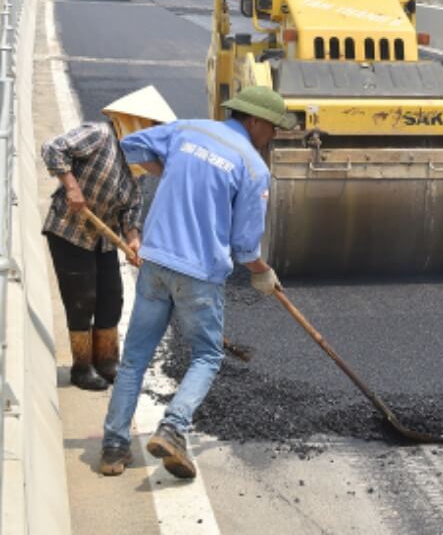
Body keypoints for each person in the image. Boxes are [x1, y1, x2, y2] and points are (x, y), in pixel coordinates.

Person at [98, 86, 297, 479]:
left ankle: (114, 449)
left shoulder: (187, 130)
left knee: (135, 358)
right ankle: (173, 427)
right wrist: (263, 272)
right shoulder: (253, 168)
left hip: (155, 264)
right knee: (206, 356)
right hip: (200, 276)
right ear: (254, 121)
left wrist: (171, 167)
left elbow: (132, 146)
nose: (273, 135)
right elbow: (243, 247)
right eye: (273, 128)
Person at [41, 87, 175, 391]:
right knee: (82, 297)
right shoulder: (100, 136)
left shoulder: (137, 162)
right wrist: (71, 185)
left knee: (111, 296)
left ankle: (107, 359)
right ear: (137, 120)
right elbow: (53, 148)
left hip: (103, 238)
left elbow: (131, 206)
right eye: (153, 127)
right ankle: (81, 366)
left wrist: (133, 237)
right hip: (69, 231)